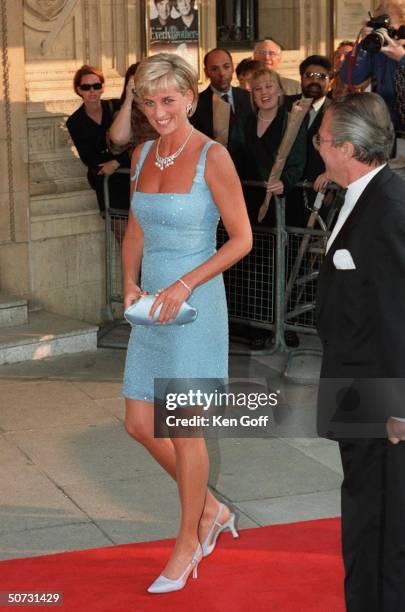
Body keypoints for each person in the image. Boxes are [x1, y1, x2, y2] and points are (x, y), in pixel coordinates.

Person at [122, 53, 252, 593]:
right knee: (136, 422)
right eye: (148, 102)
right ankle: (214, 509)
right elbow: (134, 232)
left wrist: (183, 284)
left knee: (183, 429)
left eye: (168, 100)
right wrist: (128, 284)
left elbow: (241, 239)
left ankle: (188, 542)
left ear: (189, 98)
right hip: (150, 308)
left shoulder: (212, 156)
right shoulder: (143, 154)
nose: (158, 111)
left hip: (194, 305)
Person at [315, 92, 405, 611]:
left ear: (348, 148)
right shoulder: (358, 194)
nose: (318, 147)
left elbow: (399, 313)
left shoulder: (390, 207)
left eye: (324, 141)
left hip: (380, 394)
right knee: (365, 514)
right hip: (356, 386)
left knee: (386, 524)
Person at [229, 67, 306, 350]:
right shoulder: (245, 123)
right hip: (249, 203)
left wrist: (285, 182)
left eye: (269, 87)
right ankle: (257, 327)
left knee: (281, 266)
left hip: (282, 204)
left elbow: (298, 159)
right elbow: (232, 154)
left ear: (279, 90)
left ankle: (281, 324)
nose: (264, 92)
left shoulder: (291, 122)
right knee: (254, 266)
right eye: (258, 88)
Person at [66, 65, 130, 215]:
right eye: (86, 87)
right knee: (116, 224)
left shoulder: (116, 107)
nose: (92, 91)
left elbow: (135, 141)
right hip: (105, 178)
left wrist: (116, 162)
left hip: (128, 172)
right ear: (79, 90)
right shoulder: (75, 122)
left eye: (96, 86)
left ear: (102, 87)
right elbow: (89, 158)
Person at [339, 0, 405, 131]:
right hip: (390, 131)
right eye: (391, 32)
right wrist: (365, 43)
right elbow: (350, 78)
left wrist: (402, 58)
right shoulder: (381, 51)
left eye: (401, 31)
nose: (395, 38)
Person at [285, 55, 333, 214]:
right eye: (309, 76)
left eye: (321, 77)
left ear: (330, 81)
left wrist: (330, 173)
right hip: (286, 191)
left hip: (319, 190)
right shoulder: (284, 105)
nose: (315, 81)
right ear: (301, 79)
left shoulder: (338, 111)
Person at [190, 48, 251, 147]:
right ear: (206, 72)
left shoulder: (248, 98)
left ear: (232, 68)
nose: (222, 73)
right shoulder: (196, 104)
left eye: (226, 67)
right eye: (214, 69)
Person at [108, 63, 157, 156]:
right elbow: (118, 140)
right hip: (146, 166)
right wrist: (128, 99)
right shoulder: (128, 115)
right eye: (135, 85)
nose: (140, 91)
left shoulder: (166, 107)